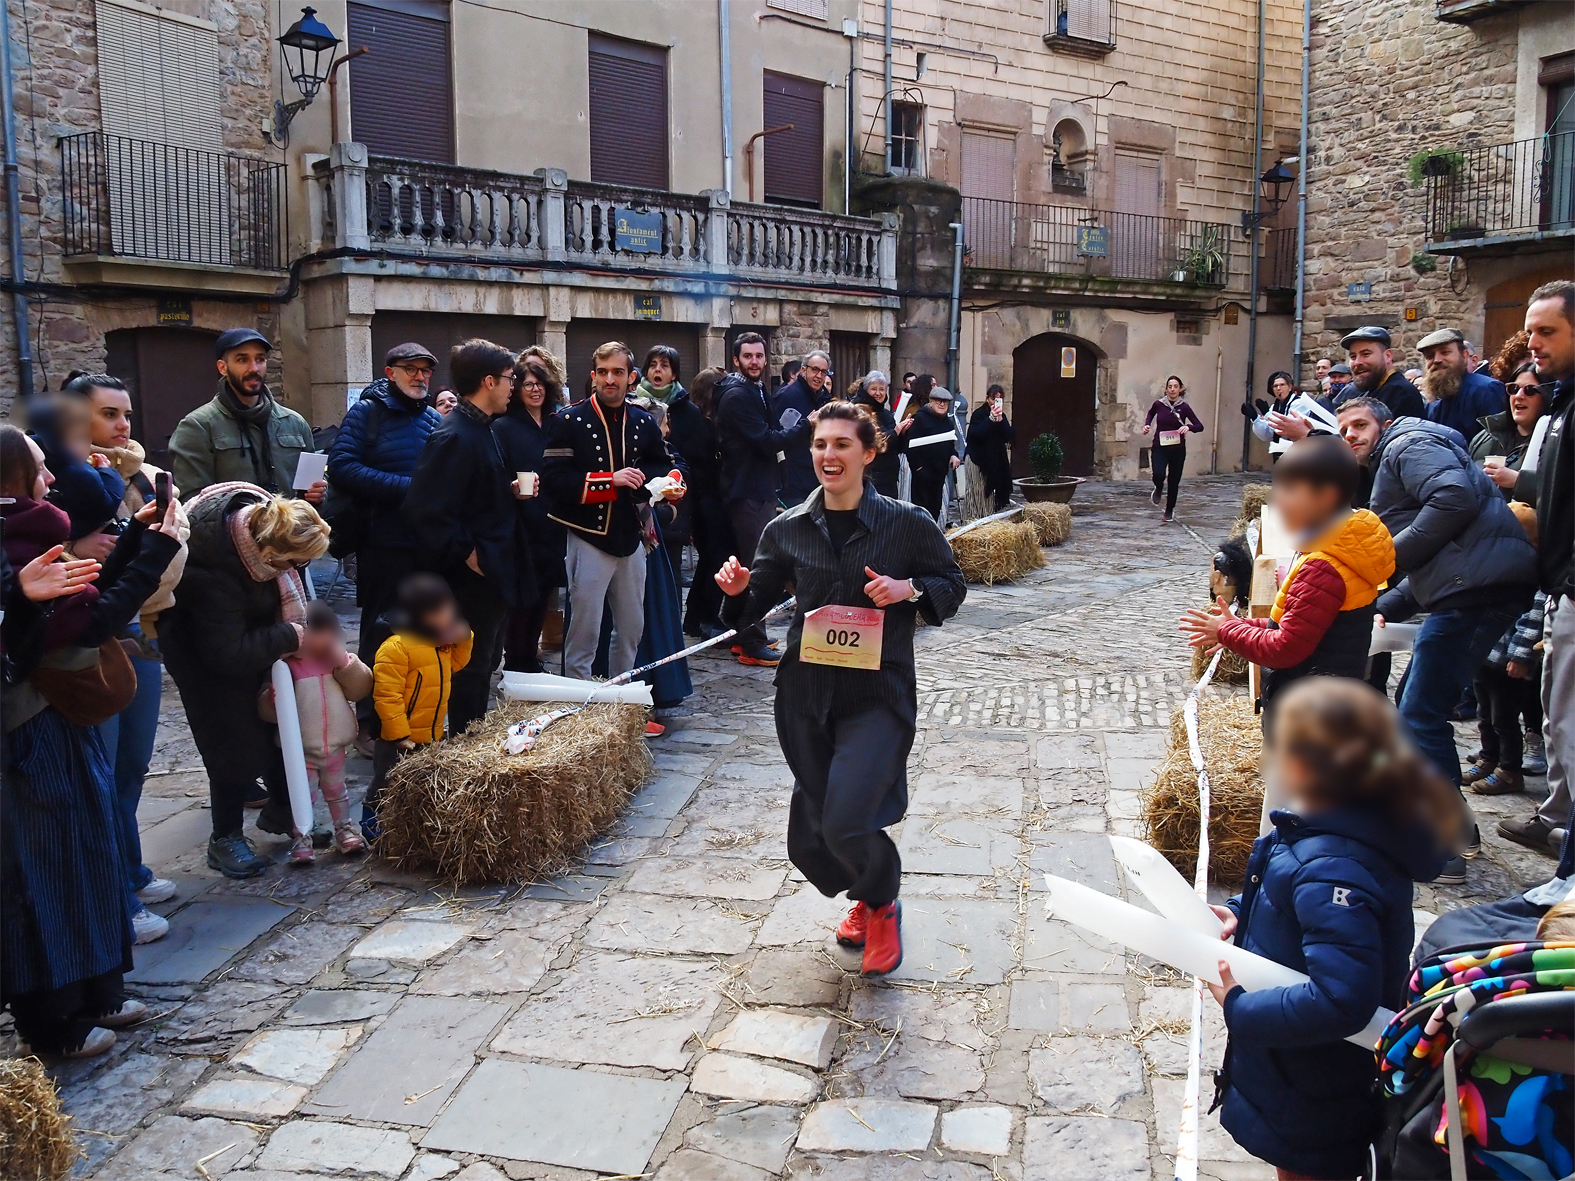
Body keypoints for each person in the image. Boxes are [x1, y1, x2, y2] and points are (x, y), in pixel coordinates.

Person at [714, 400, 966, 976]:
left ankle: (882, 905)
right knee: (808, 843)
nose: (829, 455)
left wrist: (909, 590)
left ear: (870, 452)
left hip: (878, 695)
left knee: (846, 820)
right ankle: (865, 891)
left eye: (842, 445)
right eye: (820, 445)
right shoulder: (787, 529)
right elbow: (751, 611)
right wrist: (737, 591)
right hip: (806, 696)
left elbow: (951, 585)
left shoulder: (908, 523)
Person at [1205, 676, 1452, 1181]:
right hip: (1302, 1064)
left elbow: (1342, 998)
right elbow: (1290, 899)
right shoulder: (1333, 829)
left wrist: (1239, 1006)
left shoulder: (1332, 864)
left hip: (1314, 1076)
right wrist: (1240, 910)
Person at [1, 425, 182, 1057]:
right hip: (27, 729)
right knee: (44, 869)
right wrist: (153, 550)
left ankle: (98, 989)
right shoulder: (18, 540)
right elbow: (86, 624)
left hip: (60, 721)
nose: (50, 479)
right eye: (40, 468)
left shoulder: (34, 529)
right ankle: (54, 1021)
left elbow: (85, 603)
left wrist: (138, 536)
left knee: (89, 848)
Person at [1337, 395, 1538, 883]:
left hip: (1477, 593)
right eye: (1343, 430)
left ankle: (1446, 842)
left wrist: (1383, 558)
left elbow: (1452, 499)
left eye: (1360, 424)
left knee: (1420, 712)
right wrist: (1382, 605)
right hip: (1468, 589)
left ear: (1383, 422)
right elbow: (1439, 559)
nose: (1352, 436)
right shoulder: (1404, 451)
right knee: (1413, 707)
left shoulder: (1407, 442)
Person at [66, 373, 190, 943]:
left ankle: (131, 869)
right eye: (109, 415)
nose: (123, 426)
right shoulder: (68, 481)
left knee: (132, 764)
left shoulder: (141, 476)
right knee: (100, 770)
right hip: (92, 635)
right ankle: (113, 895)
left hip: (141, 623)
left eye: (126, 414)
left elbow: (167, 556)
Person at [160, 485, 332, 878]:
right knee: (232, 740)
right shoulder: (211, 566)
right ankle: (224, 838)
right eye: (293, 562)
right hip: (204, 659)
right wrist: (291, 636)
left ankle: (286, 813)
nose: (295, 572)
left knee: (278, 726)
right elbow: (225, 653)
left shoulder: (261, 538)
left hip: (251, 638)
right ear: (270, 554)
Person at [1180, 435, 1394, 721]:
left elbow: (1285, 647)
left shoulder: (1324, 567)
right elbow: (1302, 625)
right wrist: (1238, 627)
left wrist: (1226, 631)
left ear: (1326, 496)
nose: (1277, 498)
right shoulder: (1344, 547)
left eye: (1289, 489)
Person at [404, 339, 536, 736]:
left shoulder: (483, 427)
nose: (514, 386)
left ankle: (472, 742)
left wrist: (507, 490)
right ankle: (465, 749)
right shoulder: (454, 435)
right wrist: (468, 553)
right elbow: (425, 509)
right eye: (511, 379)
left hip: (492, 572)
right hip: (470, 581)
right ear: (489, 381)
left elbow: (471, 492)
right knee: (470, 669)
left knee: (484, 663)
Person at [541, 341, 682, 681]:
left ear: (631, 377)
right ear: (592, 376)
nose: (609, 379)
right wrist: (610, 481)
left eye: (617, 372)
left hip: (632, 536)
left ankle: (621, 703)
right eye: (602, 372)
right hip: (589, 534)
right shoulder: (568, 420)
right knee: (584, 631)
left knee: (632, 628)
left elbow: (664, 465)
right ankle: (579, 708)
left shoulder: (644, 421)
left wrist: (669, 485)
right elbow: (554, 481)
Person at [327, 342, 443, 744]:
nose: (419, 377)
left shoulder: (431, 418)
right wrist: (405, 490)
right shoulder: (367, 413)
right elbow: (341, 467)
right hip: (381, 541)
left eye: (425, 370)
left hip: (423, 543)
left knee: (420, 629)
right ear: (390, 372)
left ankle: (411, 714)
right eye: (410, 369)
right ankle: (371, 721)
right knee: (381, 629)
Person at [1499, 280, 1575, 859]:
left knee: (1565, 721)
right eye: (1530, 330)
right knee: (1558, 716)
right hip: (1559, 585)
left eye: (1546, 331)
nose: (1533, 342)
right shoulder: (1565, 399)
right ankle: (1558, 820)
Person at [714, 332, 809, 666]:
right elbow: (766, 441)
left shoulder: (756, 389)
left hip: (759, 489)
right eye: (748, 356)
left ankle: (745, 636)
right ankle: (751, 641)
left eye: (759, 355)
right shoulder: (736, 395)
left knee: (757, 565)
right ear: (737, 359)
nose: (754, 361)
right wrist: (805, 427)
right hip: (747, 492)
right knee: (759, 568)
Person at [257, 601, 371, 863]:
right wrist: (270, 701)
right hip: (300, 749)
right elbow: (269, 712)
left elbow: (360, 688)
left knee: (337, 791)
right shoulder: (283, 668)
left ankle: (344, 830)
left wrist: (344, 661)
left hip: (334, 744)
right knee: (301, 795)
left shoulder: (336, 662)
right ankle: (302, 837)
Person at [364, 572, 473, 841]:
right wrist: (399, 733)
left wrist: (464, 638)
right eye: (442, 611)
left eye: (450, 608)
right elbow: (387, 695)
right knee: (387, 781)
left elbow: (455, 666)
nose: (450, 615)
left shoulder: (439, 642)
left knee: (419, 785)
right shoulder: (397, 647)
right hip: (398, 739)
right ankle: (372, 821)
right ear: (422, 615)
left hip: (430, 734)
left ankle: (410, 830)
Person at [169, 329, 323, 504]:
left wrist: (317, 495)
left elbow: (314, 496)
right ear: (222, 367)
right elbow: (194, 503)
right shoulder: (198, 426)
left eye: (260, 359)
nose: (254, 368)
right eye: (242, 360)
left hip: (290, 530)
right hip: (232, 530)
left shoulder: (295, 423)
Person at [493, 355, 567, 673]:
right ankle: (516, 657)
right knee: (521, 596)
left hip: (553, 520)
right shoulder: (503, 426)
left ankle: (530, 655)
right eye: (527, 384)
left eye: (539, 384)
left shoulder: (556, 422)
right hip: (520, 521)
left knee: (544, 592)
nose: (534, 390)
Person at [1465, 591, 1546, 797]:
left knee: (1504, 720)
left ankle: (1510, 772)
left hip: (1506, 663)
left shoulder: (1530, 578)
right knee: (1484, 715)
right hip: (1484, 654)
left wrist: (1520, 656)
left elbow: (1533, 620)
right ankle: (1489, 758)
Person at [677, 367, 733, 640]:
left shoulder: (698, 419)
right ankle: (705, 617)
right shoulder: (703, 423)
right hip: (708, 500)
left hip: (703, 499)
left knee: (709, 560)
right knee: (714, 559)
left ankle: (695, 618)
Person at [1418, 327, 1508, 440]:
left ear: (1465, 356)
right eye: (1430, 356)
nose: (1437, 360)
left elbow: (1498, 443)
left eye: (1445, 352)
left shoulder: (1486, 390)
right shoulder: (1434, 400)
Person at [771, 350, 834, 505]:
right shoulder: (788, 395)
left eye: (823, 372)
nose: (819, 376)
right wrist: (806, 424)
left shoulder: (825, 398)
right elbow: (779, 436)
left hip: (818, 475)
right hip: (794, 481)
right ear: (804, 370)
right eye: (815, 370)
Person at [1143, 376, 1206, 521]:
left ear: (1180, 389)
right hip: (1160, 446)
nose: (1172, 389)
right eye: (1170, 386)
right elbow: (1151, 413)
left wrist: (1188, 427)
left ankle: (1169, 510)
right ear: (1166, 389)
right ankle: (1158, 487)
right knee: (1158, 474)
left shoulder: (1184, 407)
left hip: (1177, 449)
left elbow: (1199, 426)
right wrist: (1147, 424)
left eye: (1175, 386)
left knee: (1174, 480)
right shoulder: (1159, 404)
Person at [1341, 325, 1425, 421]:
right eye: (1353, 356)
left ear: (1388, 356)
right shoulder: (1374, 389)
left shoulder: (1399, 393)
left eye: (1366, 354)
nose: (1357, 362)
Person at [851, 371, 911, 499]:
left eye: (882, 389)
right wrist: (896, 431)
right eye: (874, 389)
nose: (878, 393)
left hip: (888, 478)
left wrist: (903, 432)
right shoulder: (860, 410)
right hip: (871, 476)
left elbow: (896, 446)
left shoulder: (886, 413)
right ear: (866, 390)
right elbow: (875, 441)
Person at [905, 385, 961, 520]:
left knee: (935, 510)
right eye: (938, 401)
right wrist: (919, 468)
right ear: (930, 401)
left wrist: (954, 455)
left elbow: (950, 443)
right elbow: (910, 446)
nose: (942, 404)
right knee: (921, 513)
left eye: (945, 402)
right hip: (922, 474)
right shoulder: (919, 419)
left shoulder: (947, 422)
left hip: (939, 473)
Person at [966, 383, 1016, 512]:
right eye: (993, 399)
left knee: (1001, 489)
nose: (995, 403)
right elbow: (975, 435)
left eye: (998, 400)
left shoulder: (1002, 416)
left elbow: (1009, 436)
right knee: (979, 494)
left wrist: (1001, 420)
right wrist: (990, 420)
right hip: (980, 459)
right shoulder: (979, 414)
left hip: (997, 459)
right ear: (987, 398)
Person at [1245, 371, 1297, 459]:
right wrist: (1255, 419)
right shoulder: (1275, 406)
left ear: (1290, 387)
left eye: (1282, 385)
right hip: (1279, 452)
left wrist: (1267, 414)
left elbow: (1288, 428)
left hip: (1296, 452)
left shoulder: (1298, 403)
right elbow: (1267, 435)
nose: (1278, 388)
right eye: (1275, 386)